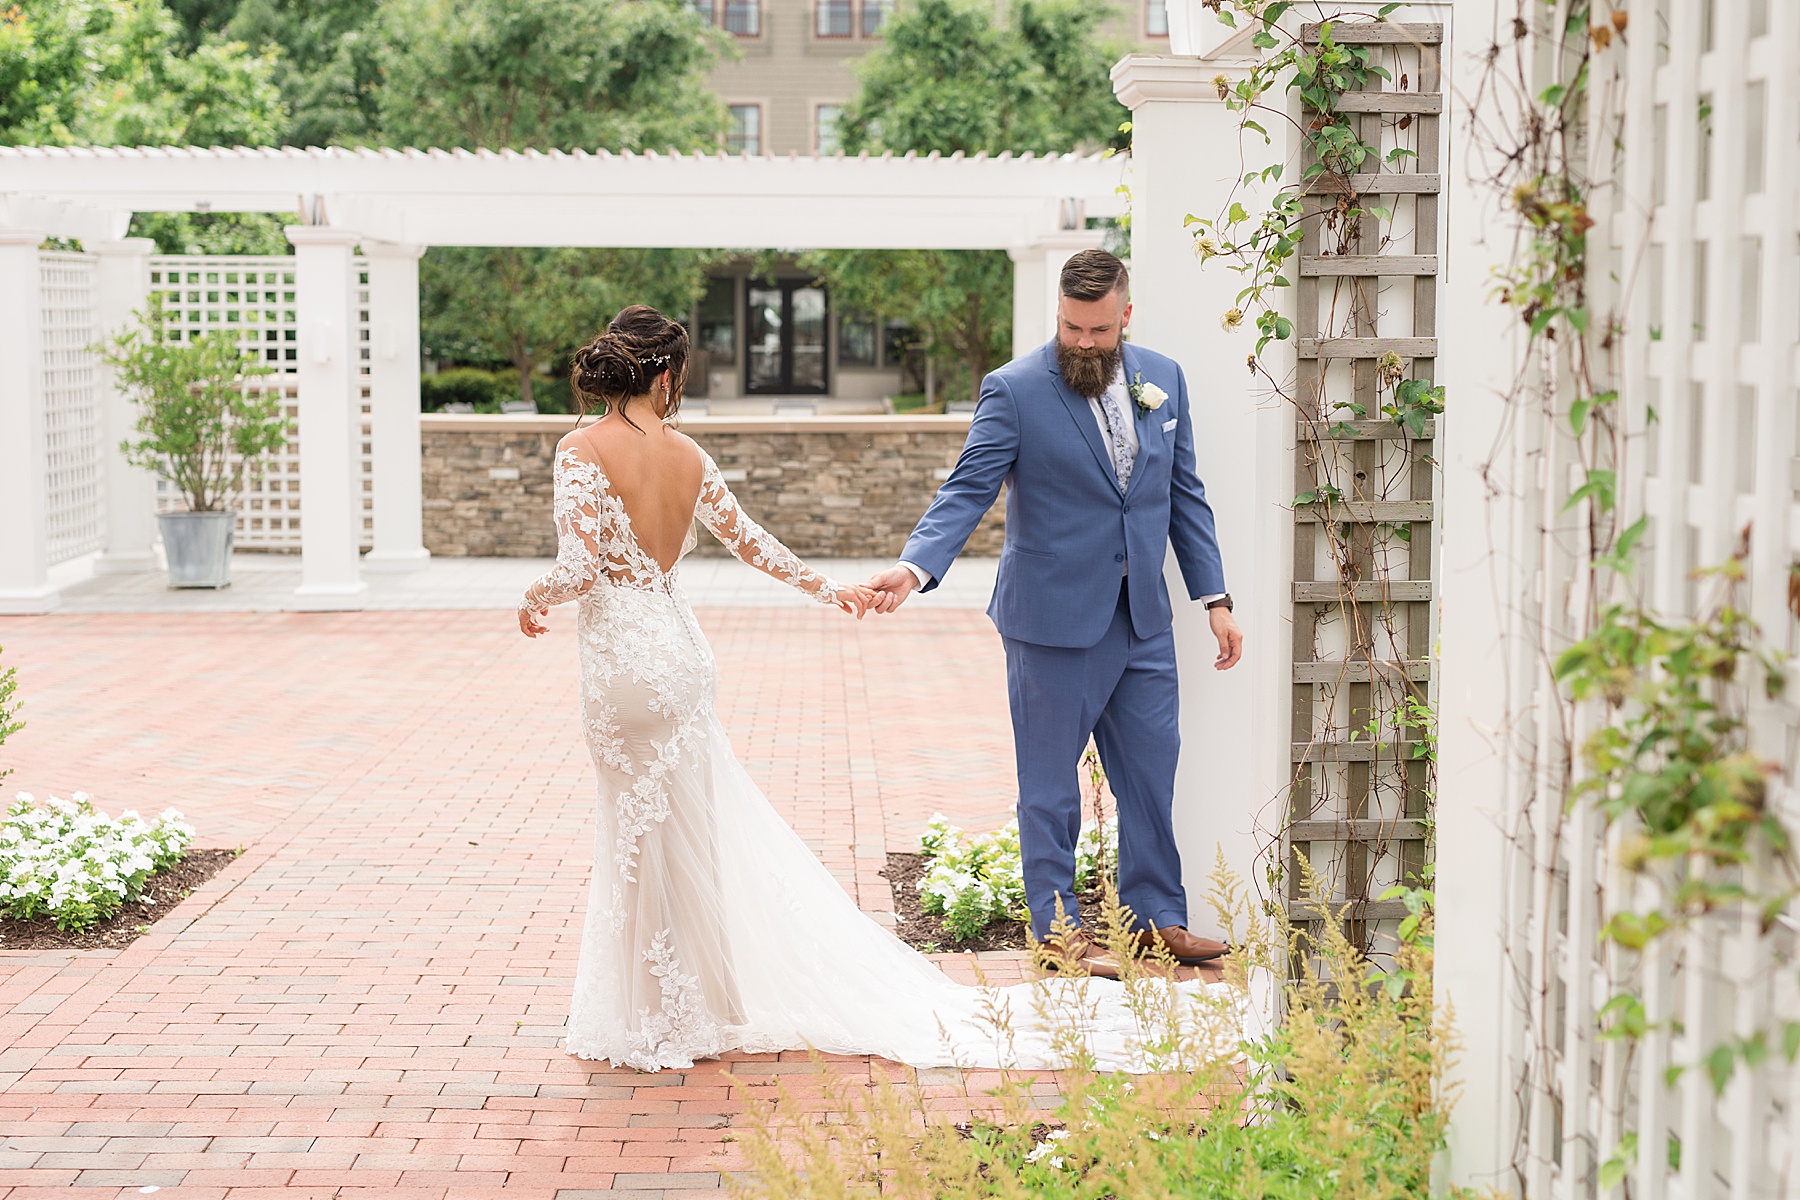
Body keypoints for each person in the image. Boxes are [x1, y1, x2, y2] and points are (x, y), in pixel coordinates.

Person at [517, 304, 1230, 1072]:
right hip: (682, 661)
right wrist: (832, 589)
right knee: (688, 833)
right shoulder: (688, 454)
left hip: (626, 667)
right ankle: (699, 1004)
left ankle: (650, 1014)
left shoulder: (580, 449)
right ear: (666, 376)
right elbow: (753, 542)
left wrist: (533, 597)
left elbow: (579, 569)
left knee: (635, 834)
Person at [864, 249, 1244, 979]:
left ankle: (1157, 919)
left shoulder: (1163, 378)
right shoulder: (1013, 390)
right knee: (1049, 787)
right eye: (1072, 328)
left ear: (1125, 317)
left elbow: (1184, 497)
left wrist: (1214, 598)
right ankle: (1058, 932)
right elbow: (967, 489)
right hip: (1051, 622)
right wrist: (915, 566)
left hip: (1143, 621)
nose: (1083, 343)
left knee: (1151, 776)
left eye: (1098, 331)